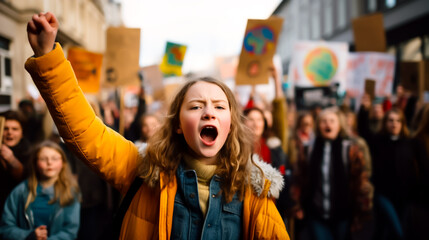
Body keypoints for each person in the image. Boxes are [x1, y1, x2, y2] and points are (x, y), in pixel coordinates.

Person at [24, 12, 289, 239]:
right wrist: (48, 57)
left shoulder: (255, 192)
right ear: (177, 125)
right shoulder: (141, 169)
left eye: (220, 107)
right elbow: (85, 132)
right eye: (196, 106)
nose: (209, 112)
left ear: (229, 125)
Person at [293, 108, 373, 240]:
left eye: (332, 121)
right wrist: (296, 206)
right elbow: (299, 179)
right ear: (318, 125)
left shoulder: (350, 150)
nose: (328, 124)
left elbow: (361, 182)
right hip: (316, 214)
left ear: (339, 125)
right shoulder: (309, 149)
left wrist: (362, 212)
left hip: (343, 214)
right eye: (324, 121)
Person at [0, 140, 80, 240]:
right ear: (35, 163)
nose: (49, 162)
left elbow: (70, 232)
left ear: (63, 163)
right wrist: (29, 235)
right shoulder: (20, 191)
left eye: (55, 158)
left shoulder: (70, 192)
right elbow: (5, 228)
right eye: (43, 159)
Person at [0, 110, 31, 215]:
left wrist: (11, 159)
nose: (10, 132)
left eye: (15, 129)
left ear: (22, 133)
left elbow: (25, 179)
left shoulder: (29, 152)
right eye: (5, 128)